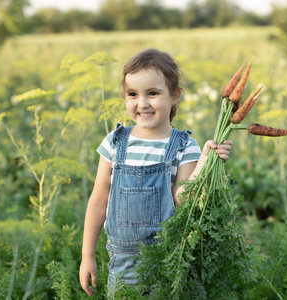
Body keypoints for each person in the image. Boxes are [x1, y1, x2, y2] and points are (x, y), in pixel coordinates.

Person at [79, 48, 232, 296]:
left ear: (174, 96)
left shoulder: (185, 146)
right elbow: (98, 199)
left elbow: (183, 199)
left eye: (152, 93)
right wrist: (87, 256)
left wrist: (205, 160)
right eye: (132, 94)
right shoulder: (114, 142)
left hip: (167, 260)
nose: (142, 103)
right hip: (122, 263)